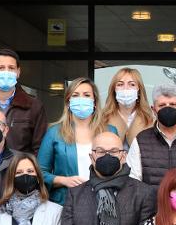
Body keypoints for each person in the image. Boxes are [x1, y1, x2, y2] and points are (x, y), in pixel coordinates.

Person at [38, 77, 117, 205]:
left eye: (86, 95)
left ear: (95, 102)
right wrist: (63, 180)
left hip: (102, 203)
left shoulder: (110, 131)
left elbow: (120, 169)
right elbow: (39, 172)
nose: (81, 99)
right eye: (75, 95)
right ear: (68, 102)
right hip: (65, 203)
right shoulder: (54, 133)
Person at [126, 84, 176, 186]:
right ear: (154, 110)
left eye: (173, 104)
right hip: (151, 197)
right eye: (162, 105)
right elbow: (133, 182)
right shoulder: (141, 140)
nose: (168, 109)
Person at [101, 67, 154, 146]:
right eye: (120, 84)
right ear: (114, 90)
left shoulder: (150, 119)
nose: (125, 88)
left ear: (139, 90)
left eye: (132, 84)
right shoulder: (102, 119)